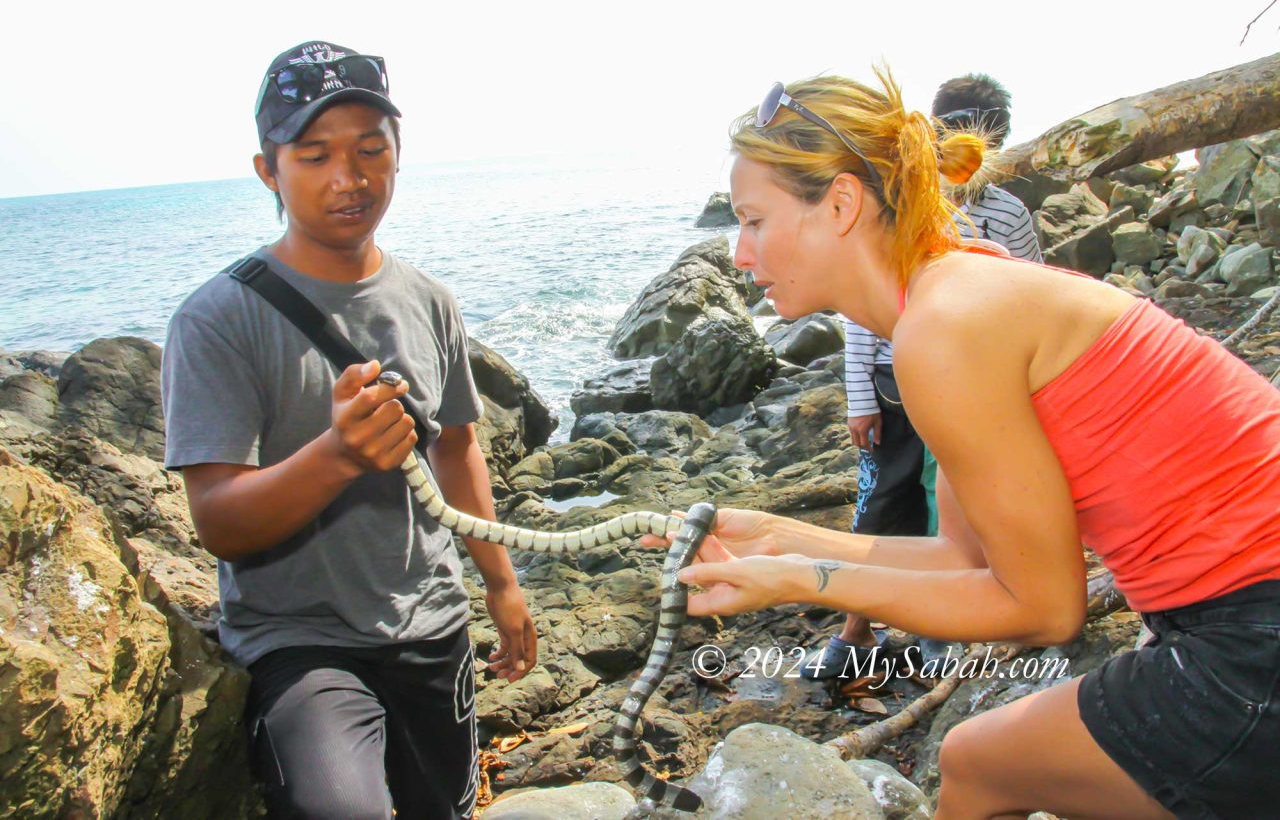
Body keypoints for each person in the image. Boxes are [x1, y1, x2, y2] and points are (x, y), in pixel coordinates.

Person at [646, 70, 1280, 818]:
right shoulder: (950, 295)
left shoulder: (944, 331)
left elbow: (1045, 608)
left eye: (754, 221)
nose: (742, 255)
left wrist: (798, 580)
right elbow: (965, 560)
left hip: (1253, 633)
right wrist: (776, 536)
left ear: (842, 204)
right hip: (1236, 615)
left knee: (976, 762)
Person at [161, 41, 537, 819]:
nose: (349, 178)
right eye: (315, 154)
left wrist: (501, 585)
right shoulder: (217, 319)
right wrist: (336, 456)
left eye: (371, 149)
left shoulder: (430, 300)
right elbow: (219, 520)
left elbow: (458, 447)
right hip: (300, 641)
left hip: (432, 624)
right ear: (269, 170)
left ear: (398, 156)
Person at [812, 74, 1043, 679]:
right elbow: (864, 310)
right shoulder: (899, 207)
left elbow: (1030, 295)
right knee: (884, 504)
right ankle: (854, 632)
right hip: (894, 381)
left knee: (960, 508)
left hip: (976, 383)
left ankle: (943, 627)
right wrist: (860, 398)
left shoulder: (1006, 212)